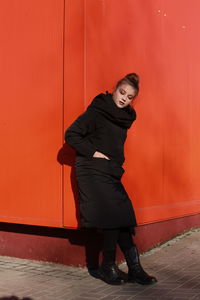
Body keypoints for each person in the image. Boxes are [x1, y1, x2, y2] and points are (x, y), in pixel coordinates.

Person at [65, 73, 157, 285]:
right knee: (112, 218)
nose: (124, 98)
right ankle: (107, 266)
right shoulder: (97, 111)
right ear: (115, 89)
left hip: (110, 172)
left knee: (123, 217)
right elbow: (71, 134)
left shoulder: (124, 118)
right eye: (122, 92)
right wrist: (93, 153)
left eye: (129, 96)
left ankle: (135, 269)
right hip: (92, 170)